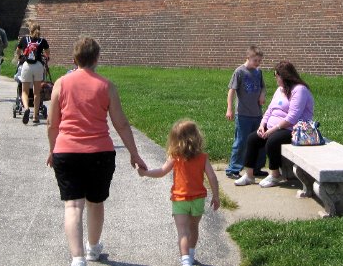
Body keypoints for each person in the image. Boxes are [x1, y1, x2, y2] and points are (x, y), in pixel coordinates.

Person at [47, 37, 148, 266]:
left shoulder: (61, 84)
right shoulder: (107, 86)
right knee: (95, 202)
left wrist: (52, 150)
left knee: (73, 205)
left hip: (66, 152)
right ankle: (93, 249)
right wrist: (134, 153)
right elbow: (121, 124)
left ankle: (77, 258)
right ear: (97, 58)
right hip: (100, 154)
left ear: (74, 59)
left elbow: (52, 124)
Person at [138, 120, 220, 266]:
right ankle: (192, 253)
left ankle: (185, 260)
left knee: (182, 231)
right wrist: (216, 196)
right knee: (193, 228)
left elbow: (162, 172)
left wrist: (146, 173)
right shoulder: (202, 157)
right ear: (197, 137)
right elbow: (212, 177)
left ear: (175, 140)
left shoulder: (175, 157)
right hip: (198, 199)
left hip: (180, 199)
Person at [234, 60, 314, 188]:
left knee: (273, 141)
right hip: (274, 128)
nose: (275, 79)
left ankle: (274, 175)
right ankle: (249, 175)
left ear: (284, 76)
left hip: (294, 130)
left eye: (276, 76)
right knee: (252, 139)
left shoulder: (300, 90)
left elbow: (292, 118)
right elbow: (270, 110)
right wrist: (262, 125)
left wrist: (272, 130)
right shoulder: (280, 90)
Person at [225, 45, 267, 179]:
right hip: (243, 114)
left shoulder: (258, 72)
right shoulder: (239, 72)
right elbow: (231, 91)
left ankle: (256, 167)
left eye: (259, 61)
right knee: (241, 141)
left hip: (257, 114)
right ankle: (233, 169)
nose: (258, 63)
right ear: (248, 58)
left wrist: (262, 95)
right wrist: (229, 108)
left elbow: (263, 87)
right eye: (255, 60)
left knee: (259, 141)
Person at [17, 22, 50, 125]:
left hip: (27, 66)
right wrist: (46, 57)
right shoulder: (42, 41)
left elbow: (18, 51)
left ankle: (26, 108)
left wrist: (20, 56)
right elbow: (47, 52)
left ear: (29, 30)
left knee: (24, 92)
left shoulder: (24, 39)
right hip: (38, 66)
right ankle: (35, 117)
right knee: (37, 92)